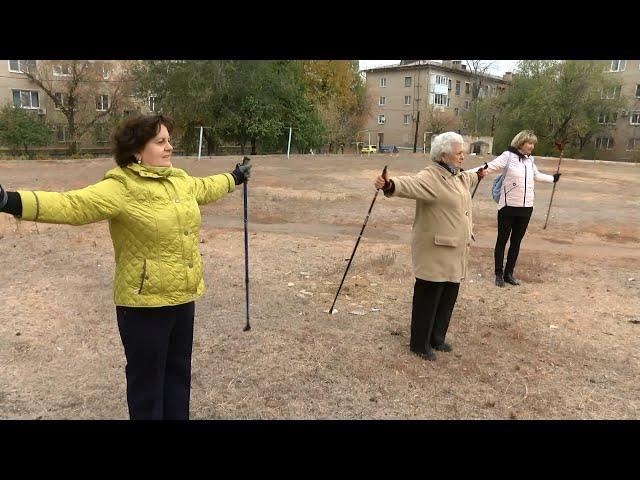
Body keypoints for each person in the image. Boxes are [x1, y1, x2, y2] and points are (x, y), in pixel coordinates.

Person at [0, 114, 252, 420]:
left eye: (169, 140)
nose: (169, 147)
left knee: (178, 377)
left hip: (183, 298)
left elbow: (205, 187)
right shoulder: (120, 187)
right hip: (143, 305)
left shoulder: (179, 180)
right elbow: (72, 205)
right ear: (136, 150)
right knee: (147, 390)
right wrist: (8, 200)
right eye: (160, 141)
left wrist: (234, 177)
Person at [374, 132, 487, 361]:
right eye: (459, 153)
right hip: (435, 251)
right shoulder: (431, 177)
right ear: (444, 155)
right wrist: (389, 184)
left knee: (448, 296)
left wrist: (480, 174)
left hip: (455, 252)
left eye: (463, 152)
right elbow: (409, 184)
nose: (462, 157)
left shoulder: (458, 176)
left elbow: (470, 177)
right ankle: (419, 343)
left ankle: (437, 338)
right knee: (429, 297)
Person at [470, 130, 560, 287]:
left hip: (526, 208)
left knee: (516, 242)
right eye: (529, 143)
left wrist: (553, 178)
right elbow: (490, 166)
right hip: (508, 206)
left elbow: (536, 176)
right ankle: (498, 273)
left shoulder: (530, 160)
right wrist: (469, 173)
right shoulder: (508, 156)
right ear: (520, 143)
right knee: (502, 240)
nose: (532, 146)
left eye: (533, 143)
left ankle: (508, 273)